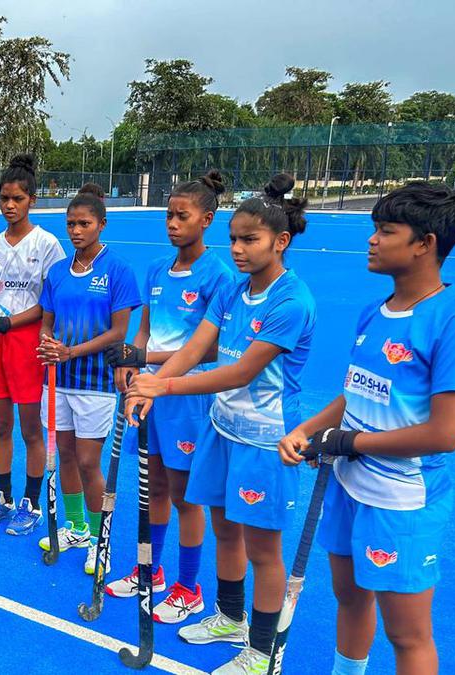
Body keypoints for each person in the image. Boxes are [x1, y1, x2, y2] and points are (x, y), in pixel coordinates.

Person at [278, 182, 455, 675]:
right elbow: (357, 395)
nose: (372, 239)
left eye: (386, 230)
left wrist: (352, 443)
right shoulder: (373, 312)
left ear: (425, 243)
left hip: (402, 501)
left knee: (407, 634)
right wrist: (308, 429)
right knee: (349, 601)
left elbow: (445, 433)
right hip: (349, 487)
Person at [124, 174, 316, 675]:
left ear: (281, 242)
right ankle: (229, 617)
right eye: (233, 238)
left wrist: (160, 387)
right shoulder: (233, 290)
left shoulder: (291, 301)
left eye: (249, 240)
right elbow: (193, 349)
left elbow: (239, 370)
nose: (237, 248)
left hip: (267, 440)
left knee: (263, 548)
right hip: (222, 428)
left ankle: (261, 650)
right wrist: (147, 384)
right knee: (225, 532)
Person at [105, 171, 235, 627]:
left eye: (183, 216)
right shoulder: (158, 269)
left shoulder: (219, 277)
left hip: (186, 396)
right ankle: (151, 570)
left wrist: (149, 358)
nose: (173, 223)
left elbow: (213, 348)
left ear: (208, 220)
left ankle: (189, 587)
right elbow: (144, 327)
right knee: (153, 485)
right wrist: (132, 364)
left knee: (185, 496)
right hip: (150, 392)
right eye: (169, 215)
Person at [35, 184, 141, 574]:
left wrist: (71, 352)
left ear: (102, 224)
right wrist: (47, 344)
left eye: (84, 223)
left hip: (95, 382)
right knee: (64, 454)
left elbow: (118, 333)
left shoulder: (118, 270)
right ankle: (76, 526)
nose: (76, 230)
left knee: (87, 460)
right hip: (57, 380)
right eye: (70, 223)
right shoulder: (58, 271)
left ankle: (101, 539)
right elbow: (47, 321)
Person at [0, 154, 66, 535]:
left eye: (18, 199)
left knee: (31, 428)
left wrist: (7, 322)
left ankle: (31, 501)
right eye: (4, 198)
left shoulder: (47, 244)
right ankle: (3, 495)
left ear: (32, 200)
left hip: (28, 344)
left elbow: (49, 303)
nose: (10, 206)